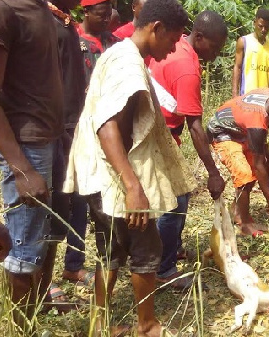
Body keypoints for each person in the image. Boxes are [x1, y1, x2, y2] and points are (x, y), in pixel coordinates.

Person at [63, 0, 191, 335]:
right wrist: (134, 187)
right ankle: (146, 325)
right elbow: (108, 128)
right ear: (156, 29)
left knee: (110, 250)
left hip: (99, 175)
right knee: (147, 248)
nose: (175, 47)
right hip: (114, 178)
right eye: (173, 38)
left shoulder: (120, 54)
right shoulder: (128, 66)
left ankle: (100, 322)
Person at [0, 0, 63, 330]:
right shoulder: (1, 8)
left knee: (43, 239)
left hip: (48, 139)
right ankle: (20, 328)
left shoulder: (40, 8)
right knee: (25, 250)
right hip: (25, 145)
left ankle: (38, 312)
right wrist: (21, 169)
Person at [148, 10, 227, 289]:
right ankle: (163, 269)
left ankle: (172, 249)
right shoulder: (187, 66)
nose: (216, 54)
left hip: (160, 132)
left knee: (177, 197)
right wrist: (213, 173)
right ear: (200, 37)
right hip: (157, 137)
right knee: (175, 203)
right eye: (215, 47)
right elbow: (195, 126)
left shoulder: (179, 46)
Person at [46, 0, 92, 309]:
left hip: (76, 126)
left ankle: (73, 264)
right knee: (51, 206)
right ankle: (43, 282)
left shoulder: (64, 24)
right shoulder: (48, 24)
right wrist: (61, 128)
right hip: (58, 130)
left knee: (79, 200)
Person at [207, 89, 269, 236]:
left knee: (253, 172)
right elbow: (259, 164)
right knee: (245, 173)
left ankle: (237, 212)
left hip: (240, 130)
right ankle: (245, 224)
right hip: (222, 132)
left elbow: (260, 144)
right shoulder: (256, 120)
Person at [232, 7, 269, 97]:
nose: (263, 30)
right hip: (247, 95)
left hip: (264, 97)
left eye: (266, 27)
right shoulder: (244, 42)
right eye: (260, 26)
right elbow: (237, 67)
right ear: (254, 23)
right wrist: (235, 94)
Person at [77, 0, 120, 87]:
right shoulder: (74, 40)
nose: (107, 20)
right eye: (102, 15)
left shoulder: (114, 41)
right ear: (86, 12)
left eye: (109, 15)